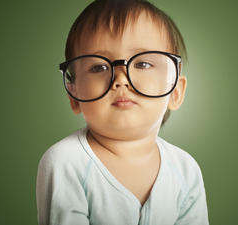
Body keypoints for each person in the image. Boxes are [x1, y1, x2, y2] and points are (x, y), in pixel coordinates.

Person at [36, 0, 209, 224]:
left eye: (143, 64)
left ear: (175, 91)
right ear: (73, 94)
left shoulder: (185, 170)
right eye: (99, 67)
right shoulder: (65, 163)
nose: (120, 79)